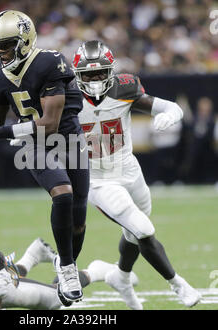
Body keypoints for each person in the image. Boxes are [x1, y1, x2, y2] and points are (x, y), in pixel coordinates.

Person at [0, 10, 89, 303]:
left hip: (67, 139)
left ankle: (67, 265)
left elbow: (50, 123)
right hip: (33, 143)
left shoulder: (50, 62)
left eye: (5, 45)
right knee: (62, 193)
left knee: (78, 219)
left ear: (24, 41)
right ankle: (66, 268)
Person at [73, 40, 201, 310]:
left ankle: (120, 276)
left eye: (100, 73)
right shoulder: (66, 98)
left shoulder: (124, 89)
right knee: (142, 229)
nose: (95, 80)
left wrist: (171, 115)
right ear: (77, 75)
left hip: (130, 171)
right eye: (88, 74)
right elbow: (40, 121)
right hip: (98, 179)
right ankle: (178, 283)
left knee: (133, 233)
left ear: (110, 71)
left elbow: (171, 106)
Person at [0, 212, 138, 310]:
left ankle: (95, 271)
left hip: (0, 296)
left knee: (58, 299)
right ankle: (33, 255)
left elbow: (6, 286)